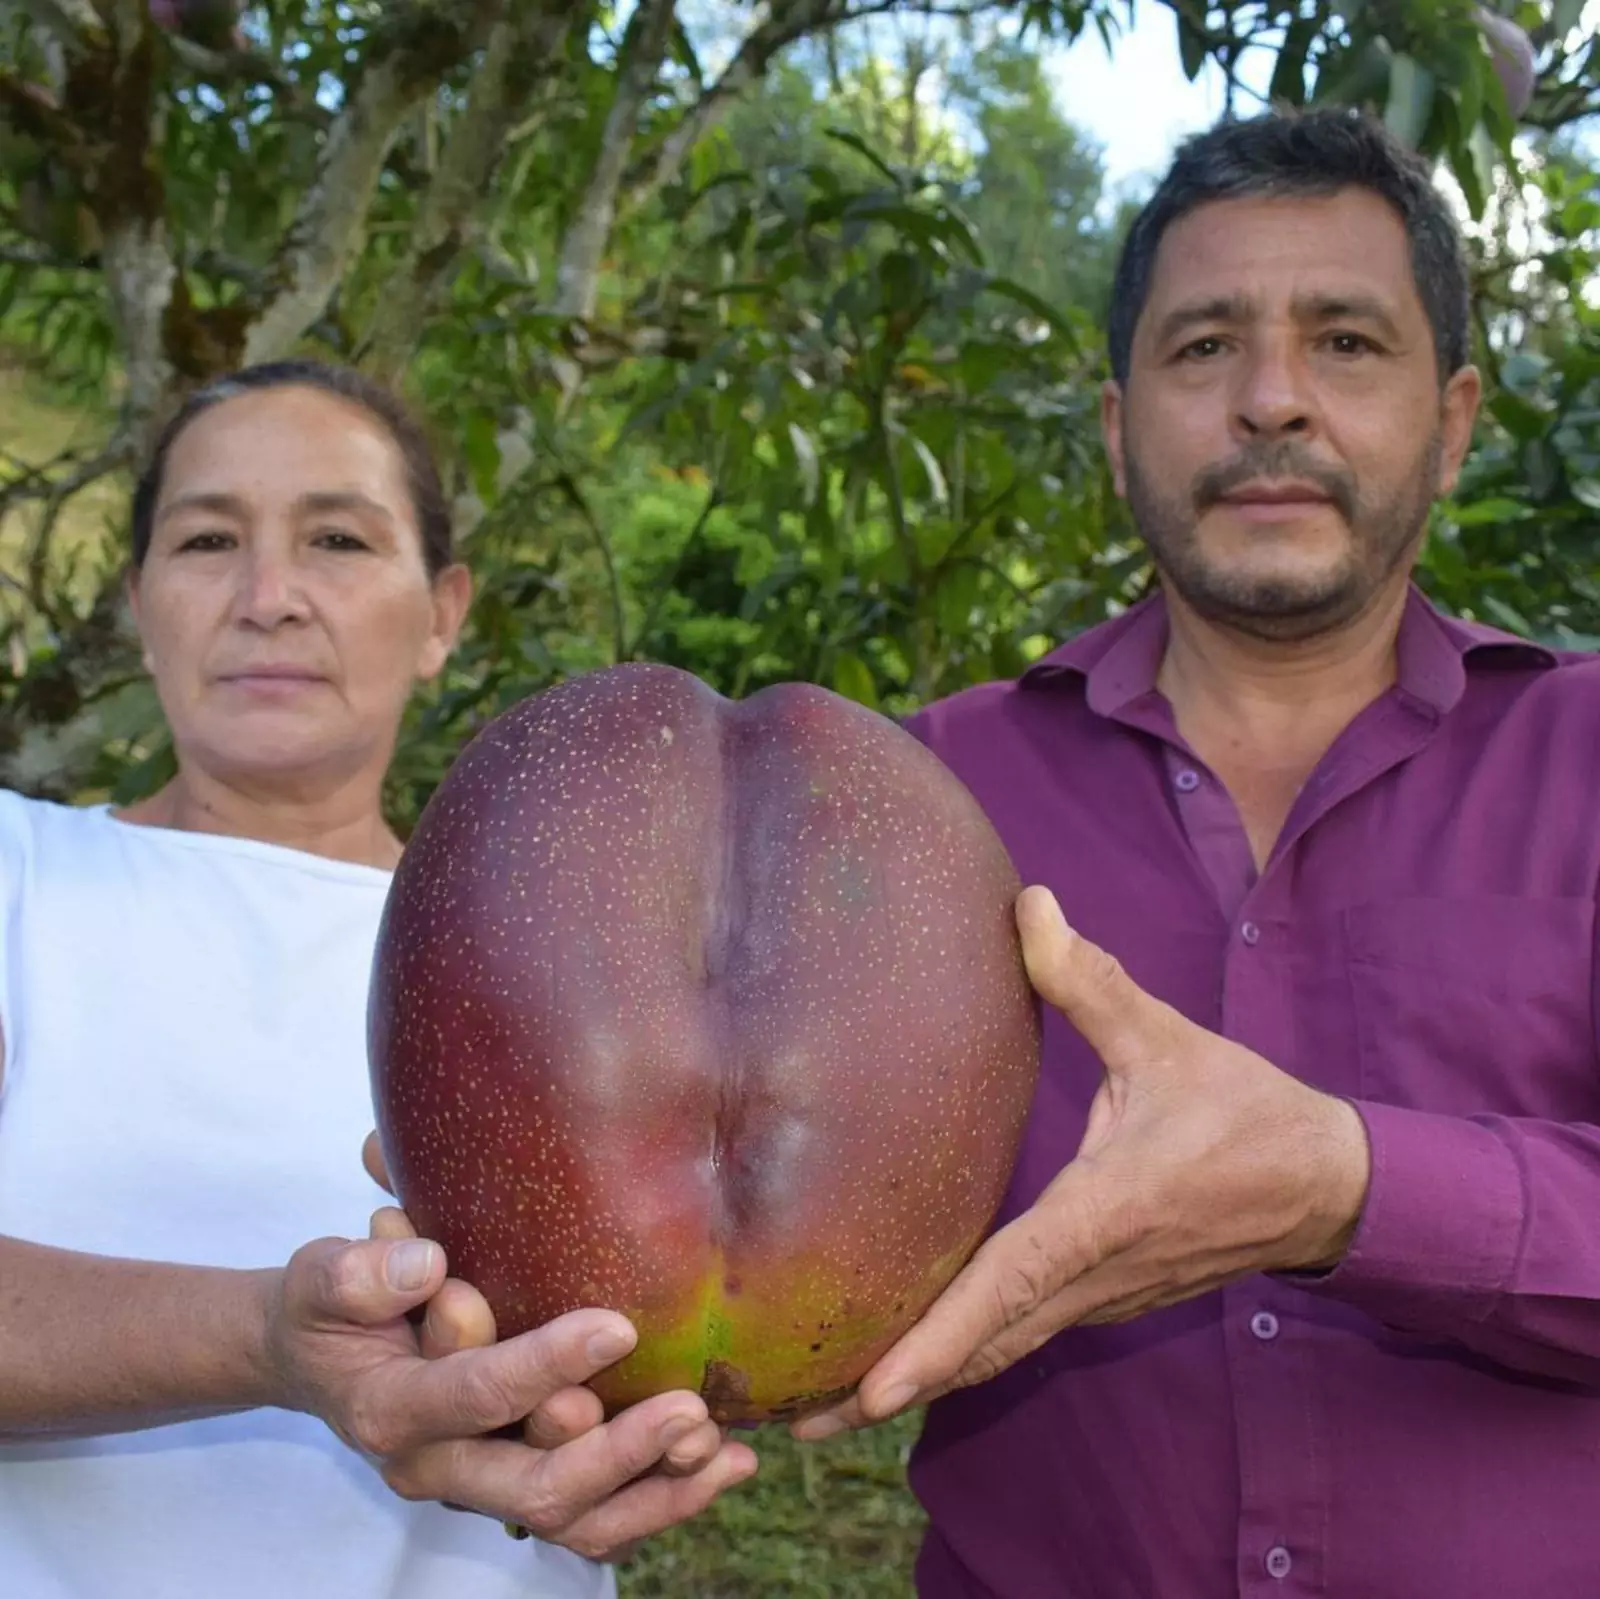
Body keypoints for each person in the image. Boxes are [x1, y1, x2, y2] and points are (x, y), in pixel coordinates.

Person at [793, 106, 1600, 1596]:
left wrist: (1351, 1183)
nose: (1274, 400)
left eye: (1348, 342)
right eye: (1204, 345)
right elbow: (771, 1175)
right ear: (1117, 425)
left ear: (1458, 418)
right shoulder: (923, 792)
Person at [0, 361, 756, 1598]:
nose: (269, 598)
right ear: (139, 605)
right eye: (206, 540)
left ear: (443, 612)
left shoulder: (583, 936)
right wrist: (261, 1343)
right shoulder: (20, 872)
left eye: (337, 538)